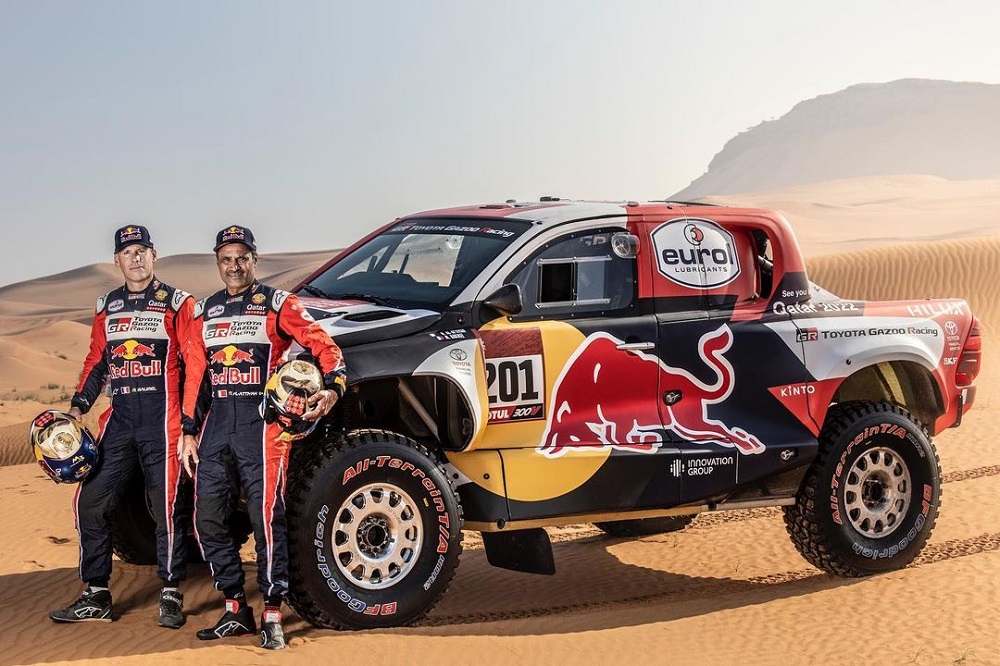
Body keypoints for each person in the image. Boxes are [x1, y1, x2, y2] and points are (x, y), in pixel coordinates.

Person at [181, 225, 346, 650]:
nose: (234, 266)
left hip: (264, 424)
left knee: (265, 520)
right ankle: (236, 606)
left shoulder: (277, 303)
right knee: (208, 520)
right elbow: (197, 377)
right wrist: (187, 431)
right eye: (226, 259)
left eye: (241, 258)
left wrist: (331, 387)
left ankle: (272, 612)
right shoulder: (205, 311)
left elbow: (323, 345)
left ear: (254, 260)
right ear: (218, 264)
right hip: (216, 426)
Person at [50, 225, 205, 628]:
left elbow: (195, 365)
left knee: (166, 508)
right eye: (127, 252)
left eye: (141, 250)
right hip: (119, 419)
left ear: (154, 255)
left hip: (164, 418)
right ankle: (96, 593)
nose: (135, 258)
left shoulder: (178, 303)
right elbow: (97, 360)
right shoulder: (107, 305)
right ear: (117, 260)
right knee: (90, 501)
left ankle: (170, 591)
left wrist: (189, 423)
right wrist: (78, 406)